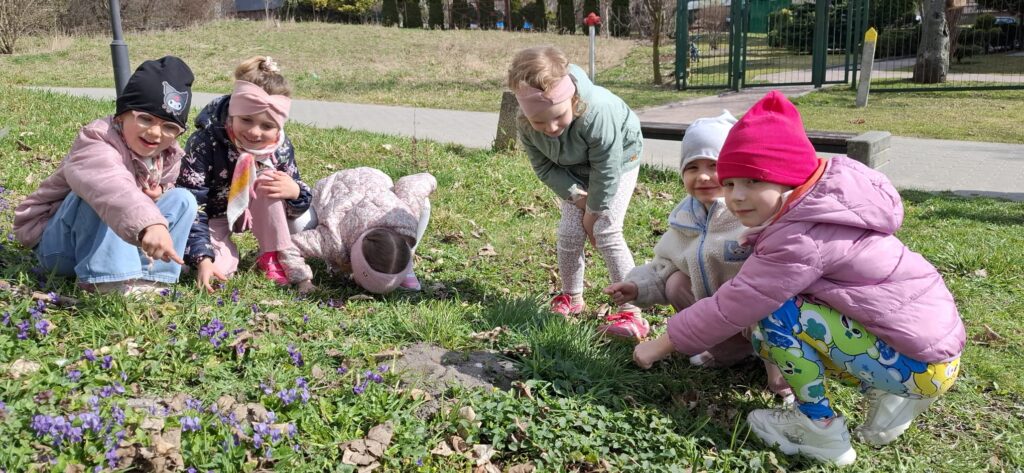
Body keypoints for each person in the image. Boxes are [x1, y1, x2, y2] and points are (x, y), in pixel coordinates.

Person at [632, 91, 965, 466]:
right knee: (780, 315)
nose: (737, 197)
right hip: (930, 356)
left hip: (920, 365)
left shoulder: (799, 237)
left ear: (788, 178)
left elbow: (737, 301)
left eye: (755, 181)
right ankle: (894, 395)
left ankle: (818, 427)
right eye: (731, 183)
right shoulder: (820, 210)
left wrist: (663, 344)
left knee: (773, 314)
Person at [603, 112, 792, 401]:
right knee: (676, 282)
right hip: (719, 314)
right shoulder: (685, 218)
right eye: (692, 167)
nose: (703, 176)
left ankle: (784, 383)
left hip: (758, 309)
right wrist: (637, 287)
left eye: (714, 165)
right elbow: (664, 265)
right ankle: (726, 353)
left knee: (770, 314)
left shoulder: (749, 211)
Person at [13, 56, 198, 295]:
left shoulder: (167, 154)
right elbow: (109, 185)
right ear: (122, 115)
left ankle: (151, 277)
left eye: (169, 127)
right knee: (104, 192)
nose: (155, 133)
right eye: (145, 118)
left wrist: (161, 193)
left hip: (122, 233)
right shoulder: (97, 140)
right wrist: (150, 221)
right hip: (60, 245)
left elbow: (167, 189)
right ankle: (104, 281)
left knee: (183, 198)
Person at [507, 45, 648, 339]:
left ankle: (633, 313)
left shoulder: (598, 113)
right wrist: (579, 199)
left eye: (558, 116)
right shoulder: (527, 125)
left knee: (607, 230)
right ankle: (572, 297)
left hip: (619, 161)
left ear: (571, 99)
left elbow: (607, 170)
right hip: (572, 171)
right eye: (539, 121)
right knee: (570, 233)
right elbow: (545, 169)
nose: (551, 127)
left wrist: (594, 212)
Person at [176, 56, 312, 293]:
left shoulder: (279, 147)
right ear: (232, 113)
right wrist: (202, 256)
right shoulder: (205, 142)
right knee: (219, 268)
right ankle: (222, 250)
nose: (254, 132)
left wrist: (296, 192)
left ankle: (271, 254)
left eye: (267, 126)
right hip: (214, 214)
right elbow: (192, 201)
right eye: (246, 120)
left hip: (260, 209)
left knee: (274, 182)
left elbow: (297, 202)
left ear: (278, 127)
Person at [275, 167, 435, 295]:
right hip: (332, 187)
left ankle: (405, 263)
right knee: (300, 222)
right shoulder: (333, 240)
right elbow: (289, 246)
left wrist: (431, 180)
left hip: (376, 179)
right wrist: (303, 280)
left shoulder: (406, 219)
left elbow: (412, 184)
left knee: (423, 203)